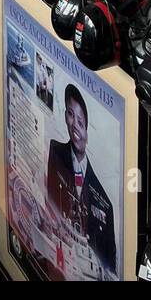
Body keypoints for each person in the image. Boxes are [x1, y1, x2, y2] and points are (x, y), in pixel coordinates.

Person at [45, 84, 116, 274]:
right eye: (70, 114)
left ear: (88, 128)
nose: (75, 124)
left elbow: (110, 267)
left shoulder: (105, 204)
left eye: (81, 121)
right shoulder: (55, 152)